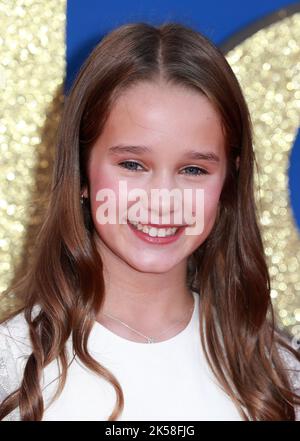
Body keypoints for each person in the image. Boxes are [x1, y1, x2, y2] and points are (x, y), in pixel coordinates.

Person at [0, 21, 299, 421]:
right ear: (81, 172)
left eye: (193, 170)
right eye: (133, 164)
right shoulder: (11, 365)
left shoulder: (278, 376)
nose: (162, 201)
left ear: (229, 180)